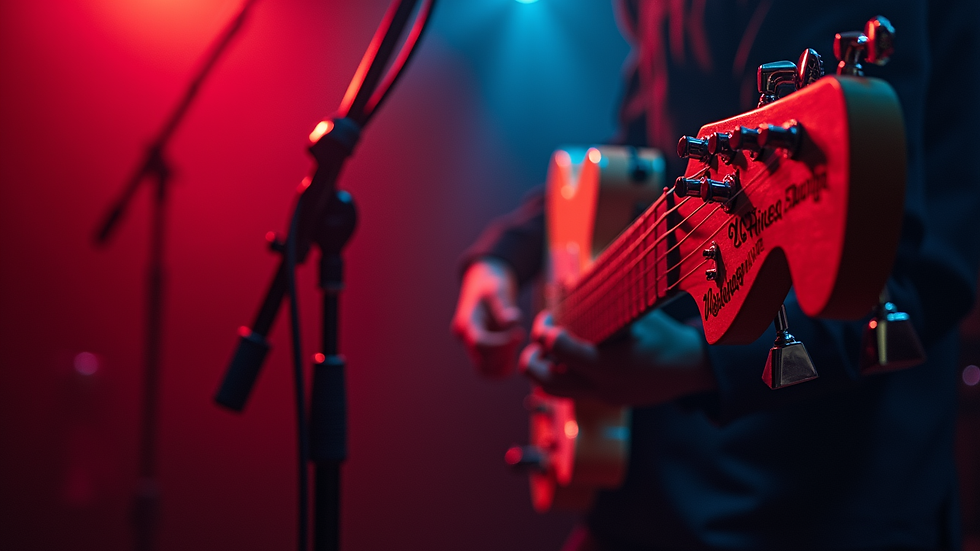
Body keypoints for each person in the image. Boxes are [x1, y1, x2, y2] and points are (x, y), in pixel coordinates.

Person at [451, 1, 980, 550]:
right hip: (651, 482)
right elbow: (650, 149)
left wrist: (700, 362)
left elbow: (916, 273)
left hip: (820, 506)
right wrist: (508, 254)